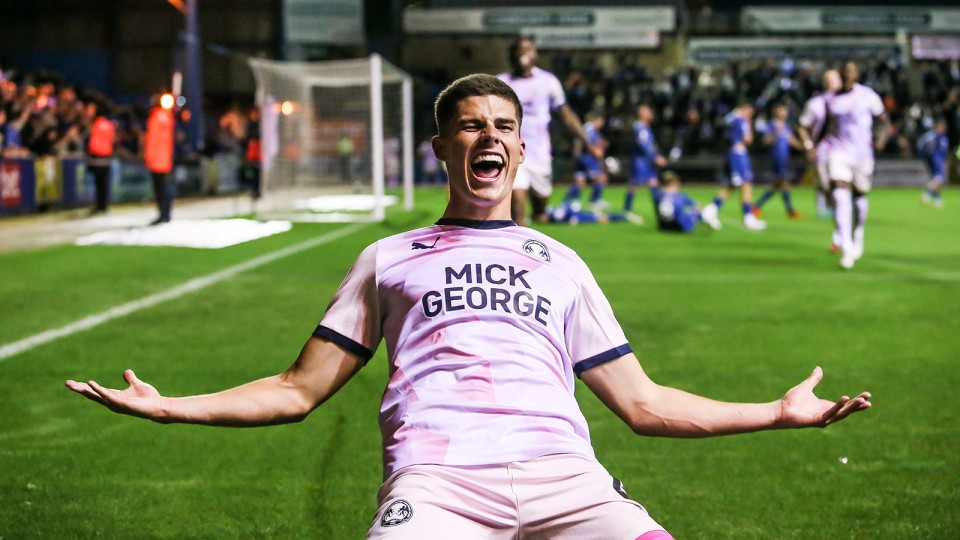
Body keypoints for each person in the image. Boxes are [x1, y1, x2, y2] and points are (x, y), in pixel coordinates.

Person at [65, 74, 872, 539]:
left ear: (520, 149)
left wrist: (776, 413)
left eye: (503, 127)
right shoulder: (387, 258)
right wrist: (171, 407)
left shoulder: (561, 261)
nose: (489, 137)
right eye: (471, 126)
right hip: (438, 484)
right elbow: (296, 389)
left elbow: (645, 404)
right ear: (443, 147)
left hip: (570, 481)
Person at [498, 36, 601, 226]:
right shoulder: (501, 83)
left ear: (535, 54)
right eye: (519, 50)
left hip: (539, 153)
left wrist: (588, 143)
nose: (523, 54)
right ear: (511, 55)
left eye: (528, 49)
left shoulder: (547, 81)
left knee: (541, 210)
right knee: (517, 199)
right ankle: (520, 238)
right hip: (511, 150)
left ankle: (540, 214)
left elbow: (566, 115)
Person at [818, 61, 891, 269]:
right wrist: (815, 145)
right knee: (840, 193)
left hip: (862, 154)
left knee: (860, 196)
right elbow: (826, 126)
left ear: (857, 75)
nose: (848, 75)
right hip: (838, 152)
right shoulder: (831, 99)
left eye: (851, 71)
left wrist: (881, 139)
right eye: (845, 72)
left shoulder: (868, 95)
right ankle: (847, 246)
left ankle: (857, 232)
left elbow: (884, 121)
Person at [701, 101, 768, 231]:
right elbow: (748, 139)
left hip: (734, 153)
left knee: (736, 185)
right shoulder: (741, 121)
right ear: (743, 108)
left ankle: (712, 210)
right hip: (738, 154)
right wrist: (750, 126)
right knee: (745, 184)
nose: (750, 113)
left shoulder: (733, 119)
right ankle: (747, 217)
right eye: (749, 110)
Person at [798, 69, 842, 233]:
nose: (832, 83)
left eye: (834, 79)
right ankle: (833, 210)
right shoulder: (815, 104)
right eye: (828, 80)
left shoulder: (849, 100)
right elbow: (802, 126)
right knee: (825, 184)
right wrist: (809, 145)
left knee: (841, 184)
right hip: (821, 150)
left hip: (843, 151)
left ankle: (841, 216)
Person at [754, 103, 802, 219]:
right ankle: (790, 210)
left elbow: (792, 141)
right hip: (776, 158)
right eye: (782, 110)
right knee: (784, 182)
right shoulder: (771, 125)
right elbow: (766, 141)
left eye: (785, 111)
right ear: (776, 112)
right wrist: (775, 133)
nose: (785, 113)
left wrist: (806, 147)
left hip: (785, 158)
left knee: (778, 183)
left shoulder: (786, 126)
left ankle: (757, 206)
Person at [625, 104, 668, 225]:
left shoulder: (645, 127)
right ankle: (627, 211)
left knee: (653, 183)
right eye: (647, 111)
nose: (650, 114)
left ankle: (660, 212)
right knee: (634, 185)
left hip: (645, 160)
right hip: (640, 161)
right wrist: (655, 157)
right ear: (641, 114)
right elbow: (644, 145)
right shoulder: (640, 127)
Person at [563, 110, 609, 214]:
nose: (601, 124)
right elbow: (586, 142)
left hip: (582, 157)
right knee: (600, 177)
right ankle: (594, 201)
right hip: (586, 158)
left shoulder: (590, 129)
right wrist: (595, 151)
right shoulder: (589, 128)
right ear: (597, 120)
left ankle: (568, 201)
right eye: (601, 121)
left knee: (580, 181)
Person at [143, 95, 176, 225]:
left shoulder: (156, 118)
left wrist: (148, 157)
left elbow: (152, 140)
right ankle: (166, 214)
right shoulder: (168, 117)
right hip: (166, 158)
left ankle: (163, 214)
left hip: (157, 159)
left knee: (160, 188)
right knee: (166, 187)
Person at [651, 170, 718, 233]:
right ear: (676, 183)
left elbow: (653, 185)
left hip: (663, 227)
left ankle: (707, 218)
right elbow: (697, 206)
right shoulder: (681, 196)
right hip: (679, 227)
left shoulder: (657, 195)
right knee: (693, 211)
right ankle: (707, 218)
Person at [85, 103, 115, 215]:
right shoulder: (109, 124)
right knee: (104, 184)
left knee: (98, 184)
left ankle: (99, 206)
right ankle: (104, 205)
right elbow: (112, 140)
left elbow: (94, 143)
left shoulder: (96, 124)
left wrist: (91, 151)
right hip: (107, 157)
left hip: (97, 158)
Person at [918, 118, 949, 208]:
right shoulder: (940, 137)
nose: (943, 129)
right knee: (938, 179)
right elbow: (943, 150)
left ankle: (938, 201)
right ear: (937, 128)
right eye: (941, 127)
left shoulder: (929, 136)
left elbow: (921, 146)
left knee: (935, 179)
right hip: (937, 160)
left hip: (931, 160)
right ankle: (926, 195)